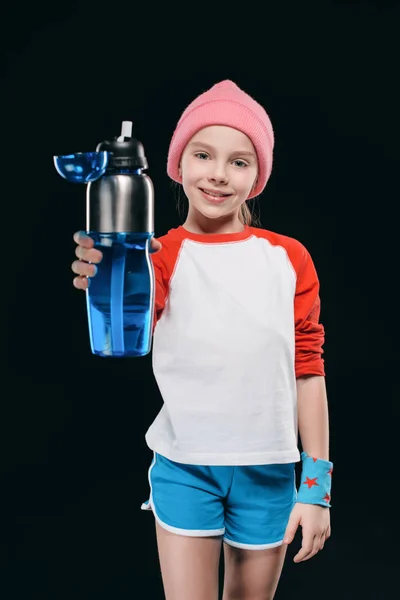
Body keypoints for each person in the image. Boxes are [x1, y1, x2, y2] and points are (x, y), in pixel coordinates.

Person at [71, 80, 333, 600]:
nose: (217, 173)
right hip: (186, 465)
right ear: (177, 165)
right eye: (203, 154)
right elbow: (129, 323)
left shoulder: (288, 258)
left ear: (258, 176)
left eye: (239, 161)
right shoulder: (157, 256)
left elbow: (308, 367)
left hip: (271, 471)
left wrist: (317, 485)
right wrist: (102, 276)